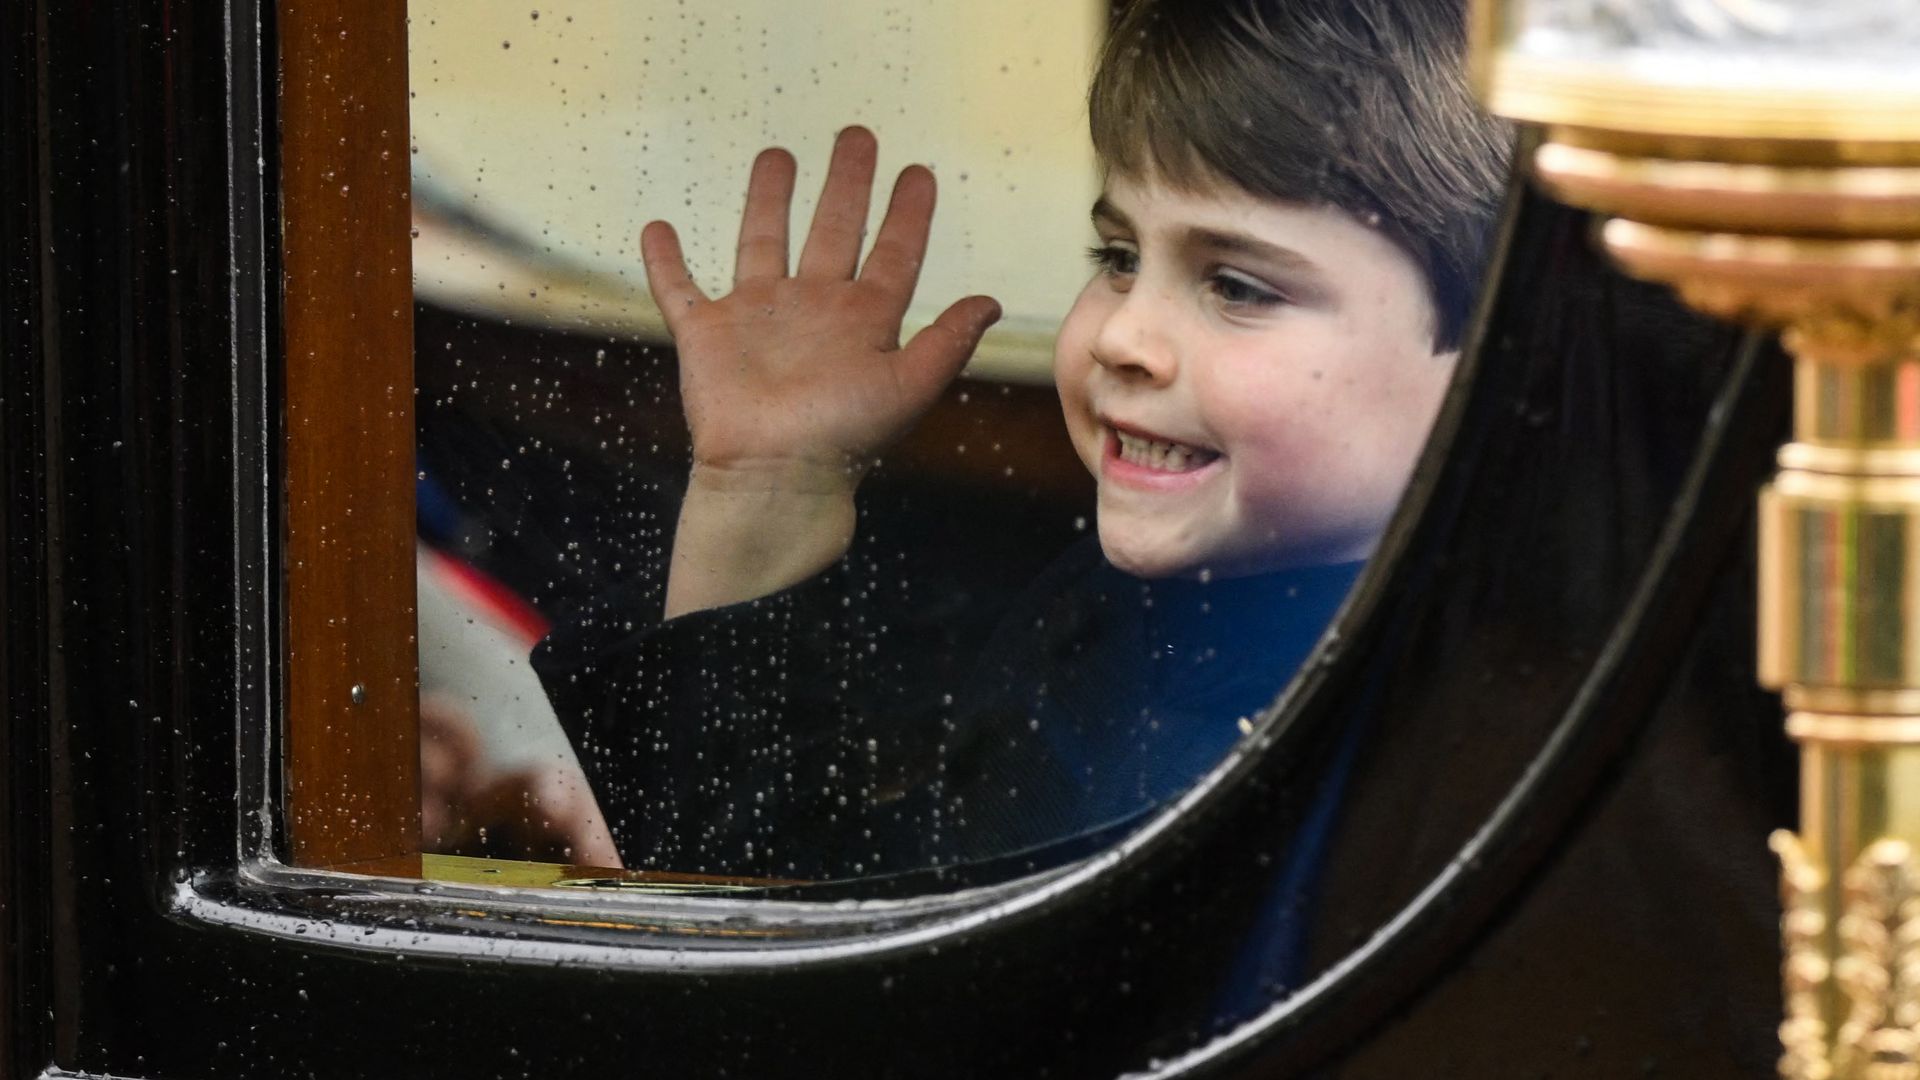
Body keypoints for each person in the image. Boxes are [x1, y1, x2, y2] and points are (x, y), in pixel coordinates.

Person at [533, 0, 1510, 891]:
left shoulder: (1464, 745)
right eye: (1119, 259)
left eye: (1239, 287)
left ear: (1492, 351)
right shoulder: (1117, 622)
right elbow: (802, 928)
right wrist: (768, 479)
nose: (1124, 336)